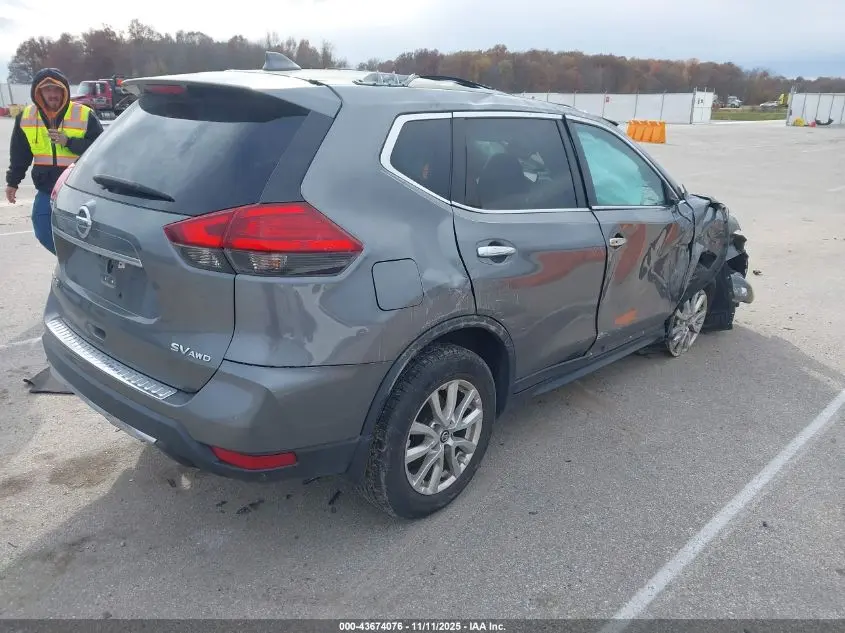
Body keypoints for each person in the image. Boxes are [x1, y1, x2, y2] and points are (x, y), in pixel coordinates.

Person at [5, 68, 103, 254]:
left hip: (77, 188)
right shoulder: (26, 117)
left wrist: (69, 142)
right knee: (43, 230)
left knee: (84, 233)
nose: (52, 94)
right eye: (47, 89)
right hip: (47, 188)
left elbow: (100, 149)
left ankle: (83, 264)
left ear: (64, 91)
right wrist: (13, 182)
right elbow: (20, 154)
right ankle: (72, 262)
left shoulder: (83, 114)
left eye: (56, 89)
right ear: (38, 92)